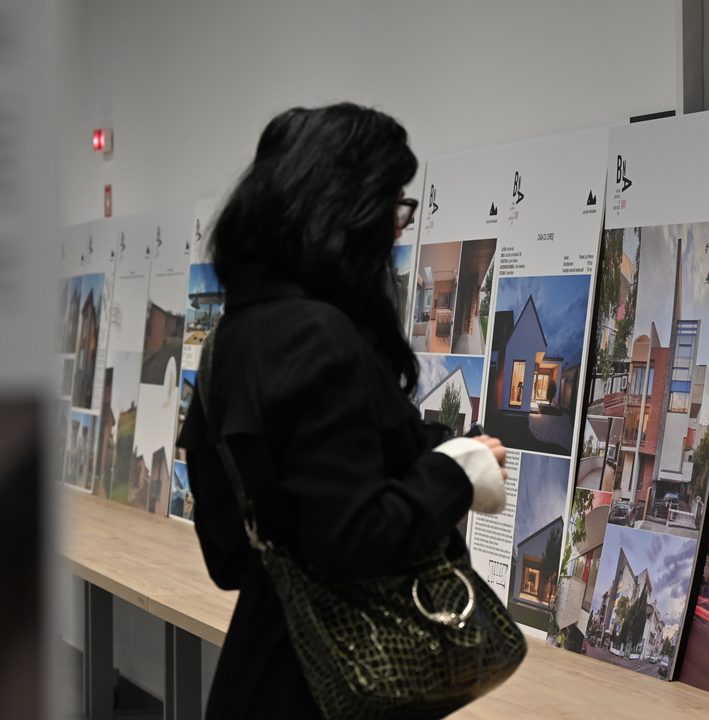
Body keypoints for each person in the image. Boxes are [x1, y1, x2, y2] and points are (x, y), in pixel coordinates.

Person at [177, 103, 509, 719]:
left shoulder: (229, 340)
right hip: (333, 688)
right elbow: (351, 537)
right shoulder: (321, 339)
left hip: (258, 671)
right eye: (392, 206)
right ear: (345, 211)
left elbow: (227, 556)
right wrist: (454, 472)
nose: (398, 230)